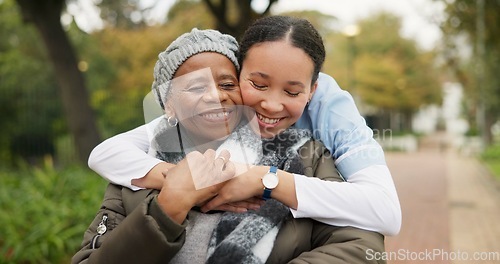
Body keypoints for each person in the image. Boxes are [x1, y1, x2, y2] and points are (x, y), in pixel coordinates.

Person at [72, 27, 385, 263]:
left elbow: (361, 246)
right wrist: (167, 208)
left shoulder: (305, 154)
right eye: (196, 86)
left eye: (227, 84)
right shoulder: (137, 170)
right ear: (169, 105)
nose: (216, 95)